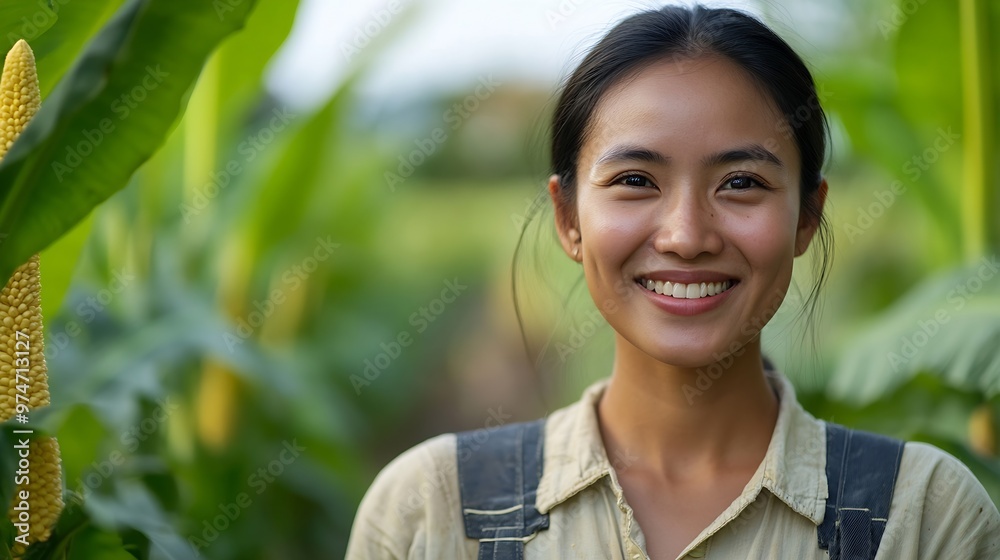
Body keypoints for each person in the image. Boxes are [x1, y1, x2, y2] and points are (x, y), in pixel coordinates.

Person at [346, 5, 1000, 559]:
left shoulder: (925, 516)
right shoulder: (431, 512)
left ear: (807, 217)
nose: (686, 236)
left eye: (740, 182)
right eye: (635, 180)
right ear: (568, 218)